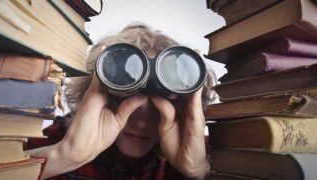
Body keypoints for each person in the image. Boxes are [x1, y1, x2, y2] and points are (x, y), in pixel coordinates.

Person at [26, 23, 216, 180]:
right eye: (125, 95)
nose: (141, 122)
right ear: (93, 94)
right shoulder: (56, 138)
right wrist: (63, 156)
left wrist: (200, 171)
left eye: (160, 105)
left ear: (184, 108)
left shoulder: (207, 152)